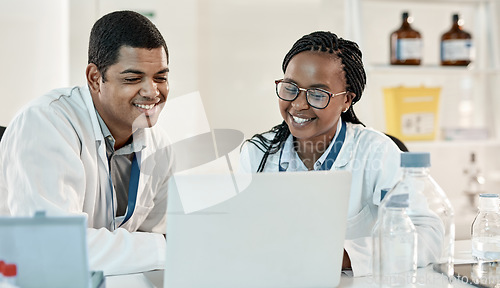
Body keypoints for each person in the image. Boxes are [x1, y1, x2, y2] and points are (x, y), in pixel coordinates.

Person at [240, 31, 441, 276]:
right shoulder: (257, 154)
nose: (299, 104)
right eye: (290, 87)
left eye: (317, 94)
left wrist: (344, 256)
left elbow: (427, 235)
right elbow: (238, 233)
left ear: (346, 100)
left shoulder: (375, 152)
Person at [0, 11, 172, 275]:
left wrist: (167, 246)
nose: (152, 91)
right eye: (132, 79)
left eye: (160, 77)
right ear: (94, 78)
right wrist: (164, 247)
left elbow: (161, 239)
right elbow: (55, 247)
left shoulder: (158, 144)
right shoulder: (46, 124)